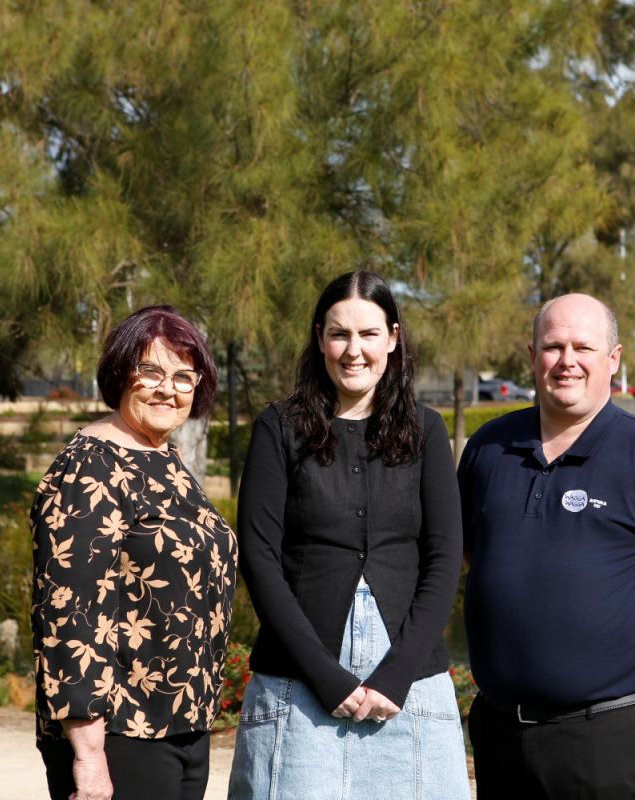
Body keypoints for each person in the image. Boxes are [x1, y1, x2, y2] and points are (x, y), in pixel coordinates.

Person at [458, 293, 635, 800]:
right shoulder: (487, 448)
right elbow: (474, 552)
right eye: (552, 346)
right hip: (501, 732)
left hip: (609, 738)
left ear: (613, 359)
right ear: (531, 355)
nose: (567, 361)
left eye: (583, 347)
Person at [228, 270, 470, 800]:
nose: (353, 350)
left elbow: (444, 557)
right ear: (319, 339)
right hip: (300, 685)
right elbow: (260, 560)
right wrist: (328, 678)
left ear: (393, 338)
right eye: (339, 334)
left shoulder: (427, 431)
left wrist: (395, 676)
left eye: (368, 334)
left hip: (407, 688)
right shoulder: (279, 428)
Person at [30, 305, 237, 800]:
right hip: (121, 734)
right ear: (123, 372)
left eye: (185, 376)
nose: (169, 388)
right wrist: (89, 756)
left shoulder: (164, 458)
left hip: (182, 724)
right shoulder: (87, 469)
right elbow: (69, 616)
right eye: (152, 371)